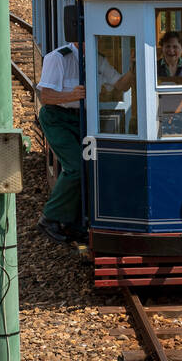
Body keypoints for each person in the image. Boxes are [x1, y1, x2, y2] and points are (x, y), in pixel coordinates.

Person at [35, 39, 135, 243]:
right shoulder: (58, 57)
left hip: (83, 119)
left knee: (89, 168)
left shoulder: (98, 60)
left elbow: (121, 85)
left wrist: (135, 66)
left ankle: (73, 223)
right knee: (76, 167)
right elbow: (45, 96)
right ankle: (49, 218)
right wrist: (70, 95)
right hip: (57, 118)